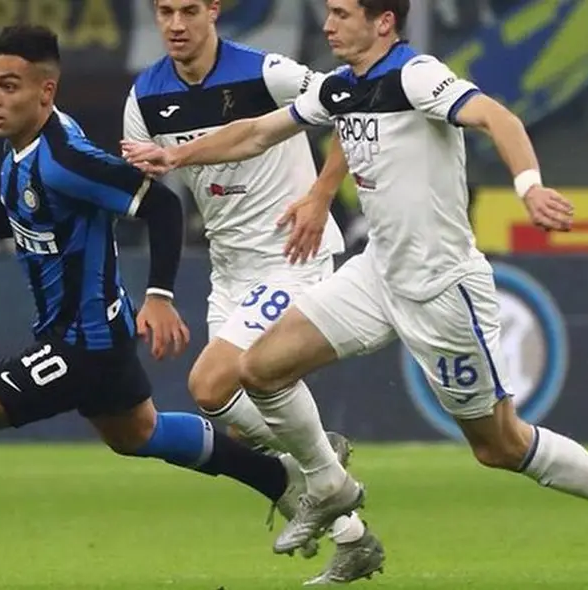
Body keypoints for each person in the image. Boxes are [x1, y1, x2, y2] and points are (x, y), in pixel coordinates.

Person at [122, 0, 588, 583]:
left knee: (499, 444)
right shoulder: (344, 87)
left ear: (384, 22)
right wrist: (175, 154)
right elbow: (255, 133)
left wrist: (529, 186)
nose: (328, 26)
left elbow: (499, 117)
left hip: (441, 289)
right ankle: (326, 483)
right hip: (375, 275)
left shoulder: (416, 74)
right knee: (259, 368)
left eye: (343, 14)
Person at [0, 25, 332, 588]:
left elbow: (159, 205)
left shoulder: (66, 157)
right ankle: (278, 478)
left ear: (45, 91)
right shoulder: (22, 152)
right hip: (95, 339)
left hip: (81, 344)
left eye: (9, 86)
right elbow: (12, 218)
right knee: (140, 434)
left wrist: (160, 294)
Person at [123, 0, 384, 581]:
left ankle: (326, 470)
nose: (176, 24)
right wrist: (158, 290)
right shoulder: (144, 98)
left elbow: (353, 105)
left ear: (214, 10)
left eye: (189, 10)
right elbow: (155, 198)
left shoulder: (267, 72)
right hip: (230, 272)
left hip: (291, 256)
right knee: (238, 420)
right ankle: (353, 533)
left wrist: (320, 196)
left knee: (210, 381)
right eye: (164, 11)